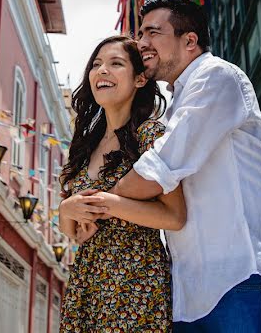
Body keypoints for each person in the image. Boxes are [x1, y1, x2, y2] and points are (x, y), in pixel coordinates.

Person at [87, 0, 261, 331]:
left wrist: (100, 205)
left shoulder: (217, 78)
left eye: (153, 32)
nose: (142, 44)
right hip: (189, 292)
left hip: (239, 276)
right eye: (140, 34)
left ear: (190, 41)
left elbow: (161, 168)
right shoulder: (173, 106)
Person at [57, 35, 186, 332]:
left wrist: (110, 203)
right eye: (97, 64)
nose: (102, 70)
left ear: (140, 79)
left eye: (116, 64)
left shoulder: (151, 135)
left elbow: (175, 217)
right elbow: (76, 233)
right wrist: (66, 211)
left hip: (136, 284)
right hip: (87, 283)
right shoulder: (84, 144)